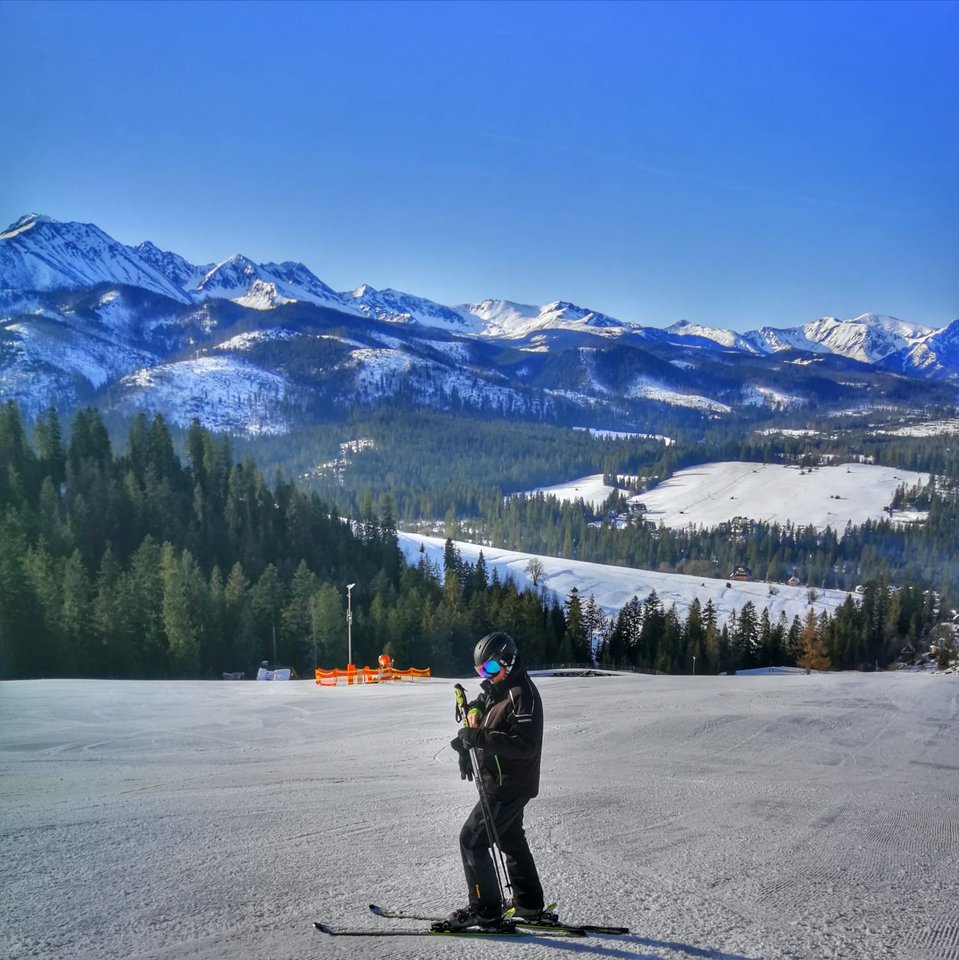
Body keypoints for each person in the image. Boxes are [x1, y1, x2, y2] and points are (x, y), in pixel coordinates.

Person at [447, 631, 545, 930]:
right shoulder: (498, 687)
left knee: (472, 840)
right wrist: (474, 718)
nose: (486, 676)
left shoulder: (522, 694)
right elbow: (482, 702)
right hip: (500, 780)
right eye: (481, 671)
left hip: (508, 785)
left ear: (508, 660)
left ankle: (485, 911)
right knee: (509, 838)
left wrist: (478, 737)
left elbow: (523, 745)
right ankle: (529, 903)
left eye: (490, 668)